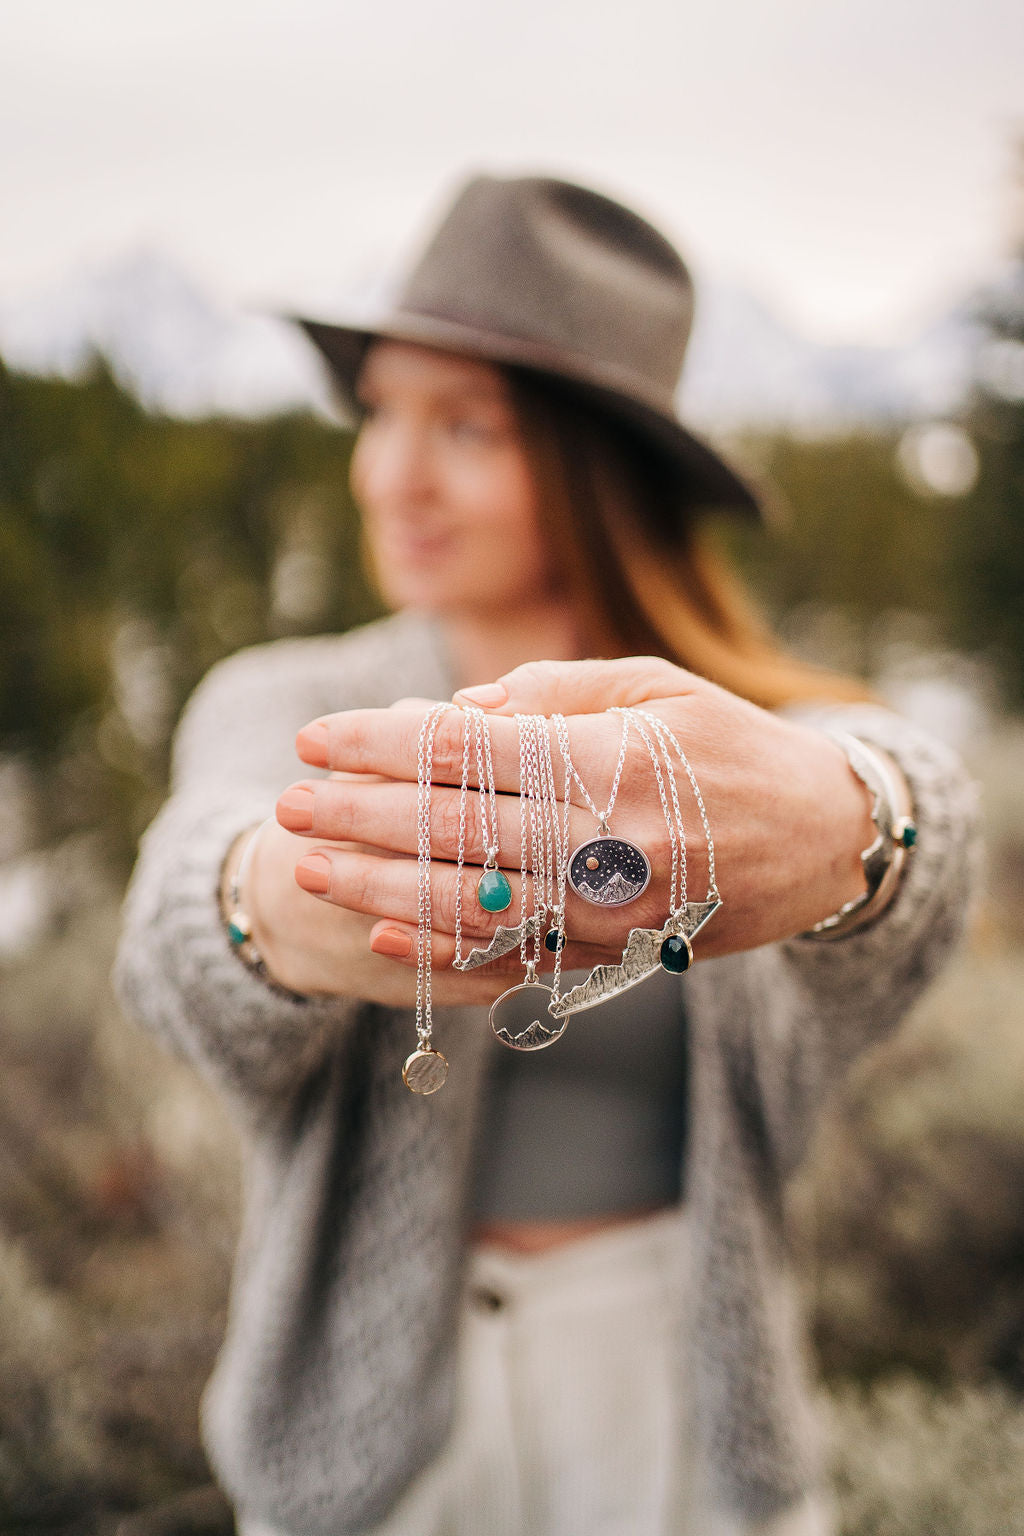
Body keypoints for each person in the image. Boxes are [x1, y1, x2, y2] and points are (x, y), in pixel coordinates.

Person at [113, 173, 978, 1536]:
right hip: (372, 1428)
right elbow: (181, 895)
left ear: (592, 469)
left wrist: (856, 816)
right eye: (384, 413)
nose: (390, 473)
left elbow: (909, 797)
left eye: (467, 427)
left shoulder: (749, 737)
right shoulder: (281, 704)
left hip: (683, 1402)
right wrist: (265, 903)